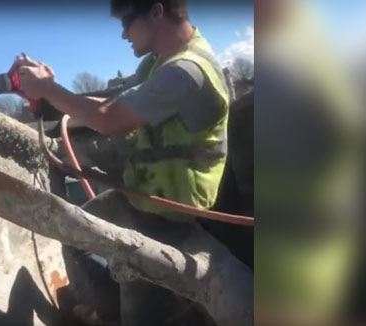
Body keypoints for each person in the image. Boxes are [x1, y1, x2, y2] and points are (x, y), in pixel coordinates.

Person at [12, 0, 231, 324]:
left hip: (170, 216)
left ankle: (118, 311)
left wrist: (47, 88)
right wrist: (49, 92)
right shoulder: (159, 64)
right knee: (73, 233)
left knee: (137, 303)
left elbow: (110, 118)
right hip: (141, 201)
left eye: (127, 21)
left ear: (157, 12)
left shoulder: (187, 72)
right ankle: (108, 309)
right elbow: (113, 102)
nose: (124, 33)